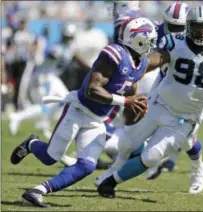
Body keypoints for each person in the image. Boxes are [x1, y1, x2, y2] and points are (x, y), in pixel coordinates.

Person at [96, 6, 203, 198]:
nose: (202, 31)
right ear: (188, 26)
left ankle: (111, 182)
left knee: (152, 157)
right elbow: (154, 60)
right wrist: (132, 71)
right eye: (198, 26)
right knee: (127, 143)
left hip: (184, 118)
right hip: (159, 105)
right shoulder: (174, 42)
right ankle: (110, 172)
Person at [10, 17, 158, 208]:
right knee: (49, 158)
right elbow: (92, 89)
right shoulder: (114, 54)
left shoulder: (139, 64)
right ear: (137, 39)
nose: (151, 46)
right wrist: (126, 101)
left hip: (98, 120)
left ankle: (37, 191)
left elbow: (131, 89)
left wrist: (134, 109)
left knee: (87, 166)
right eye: (149, 41)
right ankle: (31, 144)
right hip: (78, 110)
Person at [93, 1, 190, 184]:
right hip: (149, 81)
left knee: (183, 137)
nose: (176, 32)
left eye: (180, 27)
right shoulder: (150, 29)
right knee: (128, 129)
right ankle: (113, 162)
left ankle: (136, 156)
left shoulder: (193, 41)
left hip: (174, 92)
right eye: (173, 26)